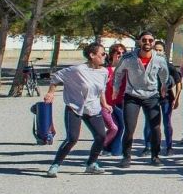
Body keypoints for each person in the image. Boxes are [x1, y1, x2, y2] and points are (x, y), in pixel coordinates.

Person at [44, 42, 112, 177]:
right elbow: (56, 77)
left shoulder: (104, 72)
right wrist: (51, 92)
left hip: (93, 108)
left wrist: (104, 104)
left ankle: (91, 164)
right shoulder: (78, 70)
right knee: (72, 138)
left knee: (101, 136)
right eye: (103, 53)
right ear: (92, 55)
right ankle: (55, 165)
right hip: (75, 107)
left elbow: (101, 89)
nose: (105, 56)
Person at [113, 31, 175, 168]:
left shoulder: (159, 59)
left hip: (151, 96)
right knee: (129, 128)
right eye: (144, 40)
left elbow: (165, 73)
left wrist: (164, 86)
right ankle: (126, 156)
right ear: (139, 41)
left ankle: (155, 155)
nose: (147, 43)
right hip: (132, 96)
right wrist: (116, 88)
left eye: (150, 40)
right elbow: (118, 73)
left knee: (156, 127)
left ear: (153, 42)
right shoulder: (128, 58)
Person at [102, 43, 127, 156]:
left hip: (122, 102)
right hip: (108, 104)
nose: (120, 55)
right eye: (118, 53)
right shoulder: (106, 71)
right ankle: (106, 146)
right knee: (115, 127)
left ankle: (113, 149)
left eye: (123, 53)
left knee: (121, 127)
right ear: (112, 55)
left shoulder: (127, 70)